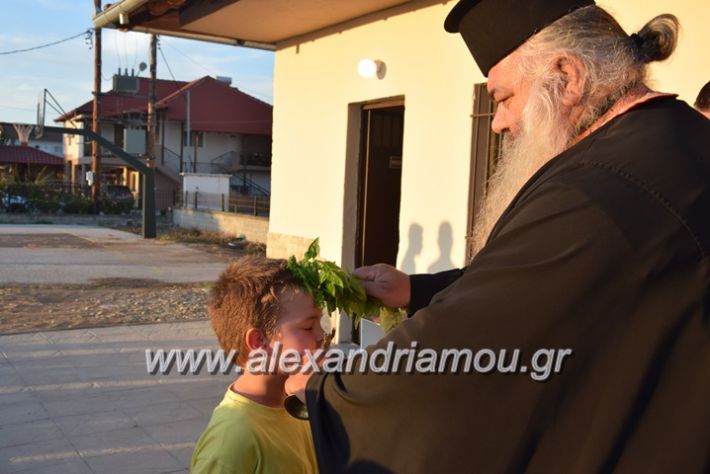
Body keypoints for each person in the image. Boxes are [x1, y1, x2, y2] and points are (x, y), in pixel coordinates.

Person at [285, 0, 710, 472]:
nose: (500, 122)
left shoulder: (598, 192)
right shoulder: (677, 137)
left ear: (567, 77)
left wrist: (326, 391)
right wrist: (417, 290)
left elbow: (460, 358)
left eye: (504, 97)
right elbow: (542, 288)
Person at [191, 255, 321, 473]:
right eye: (308, 327)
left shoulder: (299, 402)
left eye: (320, 322)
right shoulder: (232, 441)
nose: (322, 335)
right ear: (259, 341)